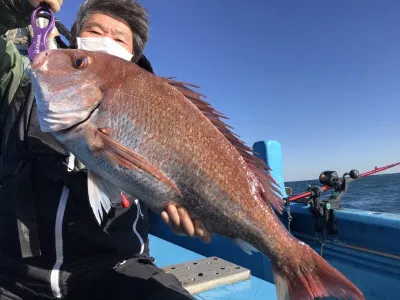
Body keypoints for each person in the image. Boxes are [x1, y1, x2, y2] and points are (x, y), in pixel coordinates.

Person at [0, 0, 211, 299]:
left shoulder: (157, 111)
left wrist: (196, 211)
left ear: (132, 57)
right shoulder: (20, 81)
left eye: (118, 38)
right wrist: (14, 5)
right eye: (94, 31)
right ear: (74, 40)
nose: (104, 42)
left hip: (115, 269)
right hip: (15, 278)